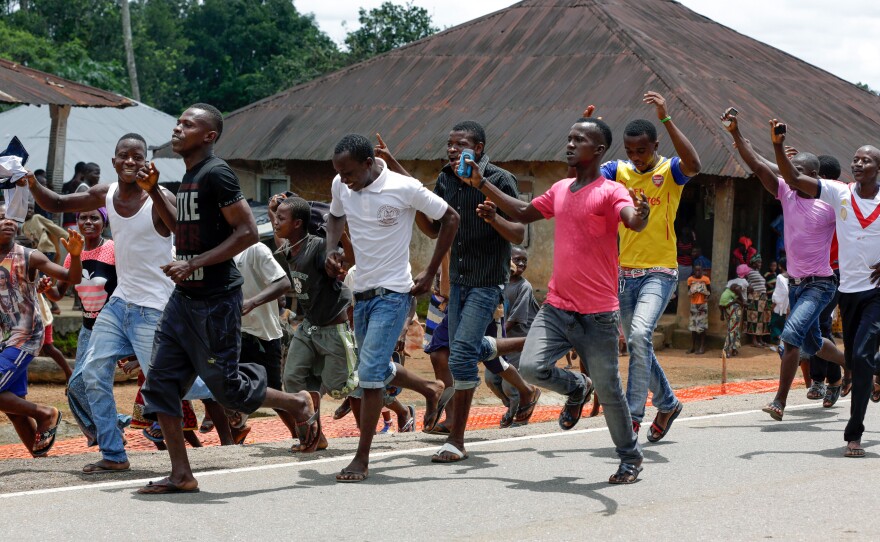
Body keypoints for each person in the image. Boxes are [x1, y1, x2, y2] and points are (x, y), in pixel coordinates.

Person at [136, 104, 320, 494]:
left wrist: (195, 263)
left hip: (216, 299)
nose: (178, 126)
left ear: (209, 136)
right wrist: (154, 191)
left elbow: (249, 231)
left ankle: (297, 404)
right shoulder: (188, 176)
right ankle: (182, 474)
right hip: (184, 299)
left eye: (189, 123)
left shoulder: (217, 173)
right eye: (178, 121)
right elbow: (179, 227)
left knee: (229, 389)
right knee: (160, 384)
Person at [459, 116, 650, 483]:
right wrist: (481, 183)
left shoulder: (612, 192)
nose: (569, 144)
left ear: (597, 151)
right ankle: (576, 387)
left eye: (579, 139)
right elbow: (522, 211)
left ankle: (630, 457)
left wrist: (640, 216)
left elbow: (632, 219)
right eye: (569, 137)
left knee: (610, 391)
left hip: (598, 316)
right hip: (557, 307)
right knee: (530, 368)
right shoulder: (561, 189)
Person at [377, 125, 540, 460]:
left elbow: (518, 233)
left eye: (460, 144)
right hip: (456, 282)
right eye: (449, 144)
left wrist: (494, 218)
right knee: (466, 348)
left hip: (487, 281)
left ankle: (457, 439)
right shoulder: (446, 179)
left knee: (462, 355)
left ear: (478, 148)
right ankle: (532, 345)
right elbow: (435, 226)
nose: (452, 150)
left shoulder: (499, 179)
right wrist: (407, 189)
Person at [25, 132, 178, 475]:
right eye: (123, 155)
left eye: (137, 156)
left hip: (153, 307)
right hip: (120, 304)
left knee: (168, 381)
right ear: (114, 161)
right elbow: (58, 203)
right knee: (92, 374)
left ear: (145, 161)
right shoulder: (105, 194)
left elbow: (181, 231)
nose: (130, 161)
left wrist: (154, 189)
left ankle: (227, 387)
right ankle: (114, 453)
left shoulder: (159, 196)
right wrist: (30, 181)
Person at [324, 133, 458, 482]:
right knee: (375, 366)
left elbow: (451, 218)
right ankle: (431, 389)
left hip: (395, 294)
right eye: (339, 173)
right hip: (363, 294)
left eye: (349, 172)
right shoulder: (342, 184)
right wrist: (331, 250)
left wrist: (430, 271)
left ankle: (361, 459)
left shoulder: (404, 187)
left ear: (369, 163)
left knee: (368, 377)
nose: (344, 180)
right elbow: (335, 217)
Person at [722, 110, 845, 421]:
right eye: (790, 170)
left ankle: (779, 401)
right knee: (814, 342)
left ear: (813, 177)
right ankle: (852, 364)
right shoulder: (787, 194)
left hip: (821, 283)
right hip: (795, 283)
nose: (790, 175)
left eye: (798, 171)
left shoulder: (829, 205)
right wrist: (736, 133)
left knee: (791, 337)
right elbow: (758, 166)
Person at [593, 91, 701, 443]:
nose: (636, 157)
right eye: (630, 151)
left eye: (643, 150)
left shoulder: (668, 170)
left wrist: (666, 118)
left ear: (655, 145)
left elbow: (694, 164)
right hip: (625, 273)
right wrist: (591, 127)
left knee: (639, 335)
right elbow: (588, 173)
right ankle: (667, 403)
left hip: (660, 270)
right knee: (638, 343)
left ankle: (632, 415)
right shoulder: (617, 171)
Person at [767, 122, 879, 457]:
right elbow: (794, 179)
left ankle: (854, 433)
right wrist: (777, 145)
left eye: (866, 161)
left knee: (859, 357)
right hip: (848, 291)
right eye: (855, 159)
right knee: (861, 358)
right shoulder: (838, 192)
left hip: (876, 291)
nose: (857, 164)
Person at [269, 193, 357, 452]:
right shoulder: (289, 248)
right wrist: (274, 208)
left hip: (333, 329)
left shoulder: (318, 246)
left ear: (297, 223)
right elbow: (278, 236)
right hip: (308, 327)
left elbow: (348, 260)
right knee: (293, 380)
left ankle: (375, 379)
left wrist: (341, 236)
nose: (276, 223)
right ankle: (316, 437)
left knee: (340, 388)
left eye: (281, 219)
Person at [0, 202, 83, 456]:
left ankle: (46, 413)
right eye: (1, 217)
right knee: (14, 410)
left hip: (24, 335)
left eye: (11, 218)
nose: (7, 222)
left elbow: (73, 277)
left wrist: (76, 256)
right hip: (3, 338)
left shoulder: (29, 255)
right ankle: (40, 457)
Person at [743, 256, 770, 347]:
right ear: (753, 263)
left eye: (761, 262)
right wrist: (747, 287)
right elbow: (742, 281)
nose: (760, 264)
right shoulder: (749, 271)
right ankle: (754, 340)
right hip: (755, 297)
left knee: (762, 319)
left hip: (762, 298)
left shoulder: (757, 272)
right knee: (754, 319)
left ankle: (760, 339)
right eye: (758, 262)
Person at [687, 264, 710, 354]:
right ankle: (692, 346)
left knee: (702, 326)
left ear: (702, 271)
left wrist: (706, 297)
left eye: (699, 270)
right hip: (693, 304)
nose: (697, 272)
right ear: (694, 270)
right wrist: (693, 292)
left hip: (703, 305)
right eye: (696, 270)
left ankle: (702, 346)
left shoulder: (706, 279)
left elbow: (709, 291)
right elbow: (688, 291)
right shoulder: (690, 280)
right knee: (693, 326)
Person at [720, 279, 746, 358]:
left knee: (734, 329)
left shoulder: (727, 293)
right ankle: (726, 350)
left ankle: (734, 349)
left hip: (729, 312)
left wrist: (721, 314)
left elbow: (720, 305)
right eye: (739, 290)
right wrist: (739, 295)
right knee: (732, 330)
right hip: (734, 312)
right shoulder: (732, 295)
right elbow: (744, 304)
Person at [61, 162, 89, 229]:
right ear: (83, 172)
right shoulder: (81, 186)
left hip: (65, 222)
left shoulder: (65, 185)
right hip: (74, 223)